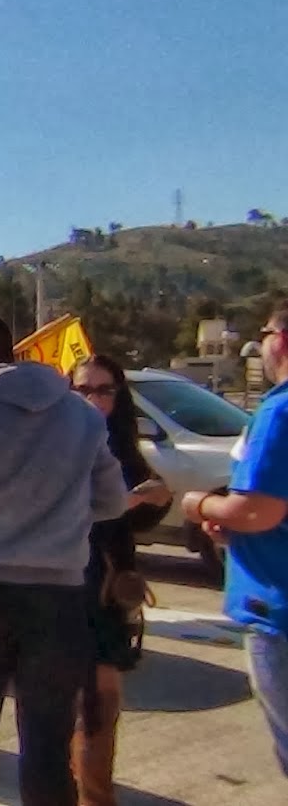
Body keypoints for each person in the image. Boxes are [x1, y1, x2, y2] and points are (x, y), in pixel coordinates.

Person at [0, 311, 126, 806]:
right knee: (48, 736)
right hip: (59, 596)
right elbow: (113, 500)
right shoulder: (79, 412)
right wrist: (60, 517)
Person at [181, 302, 288, 777]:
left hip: (276, 609)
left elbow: (256, 509)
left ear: (281, 339)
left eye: (265, 332)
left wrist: (199, 505)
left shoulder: (280, 410)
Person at [70, 354, 173, 803]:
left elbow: (136, 522)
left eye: (104, 390)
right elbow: (70, 514)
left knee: (103, 701)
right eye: (84, 390)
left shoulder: (121, 444)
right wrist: (131, 501)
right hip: (68, 583)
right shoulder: (58, 443)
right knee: (84, 700)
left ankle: (94, 794)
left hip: (109, 588)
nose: (94, 399)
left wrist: (159, 498)